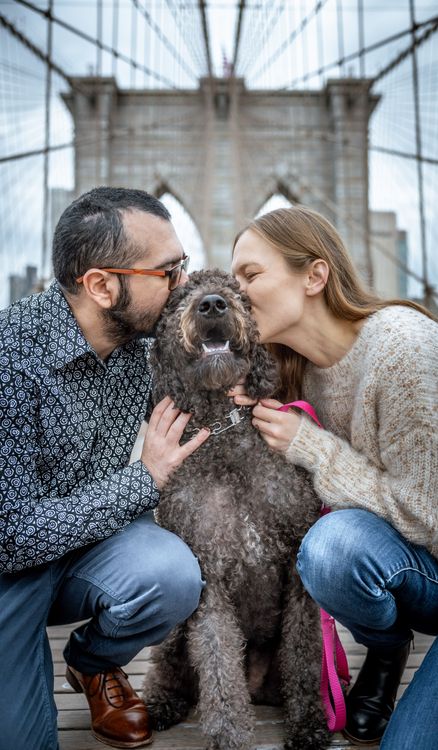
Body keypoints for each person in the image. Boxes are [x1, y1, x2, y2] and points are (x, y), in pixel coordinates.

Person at [0, 187, 211, 750]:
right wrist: (143, 480)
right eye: (168, 271)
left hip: (89, 545)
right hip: (8, 570)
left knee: (172, 576)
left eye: (182, 265)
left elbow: (206, 419)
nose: (182, 283)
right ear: (101, 285)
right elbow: (10, 537)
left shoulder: (139, 346)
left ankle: (92, 663)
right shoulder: (9, 357)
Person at [230, 205, 438, 749]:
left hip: (432, 545)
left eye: (250, 276)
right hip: (408, 569)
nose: (236, 294)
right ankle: (387, 647)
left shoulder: (402, 348)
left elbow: (428, 516)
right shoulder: (295, 367)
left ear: (315, 276)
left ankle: (388, 648)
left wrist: (310, 446)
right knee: (330, 551)